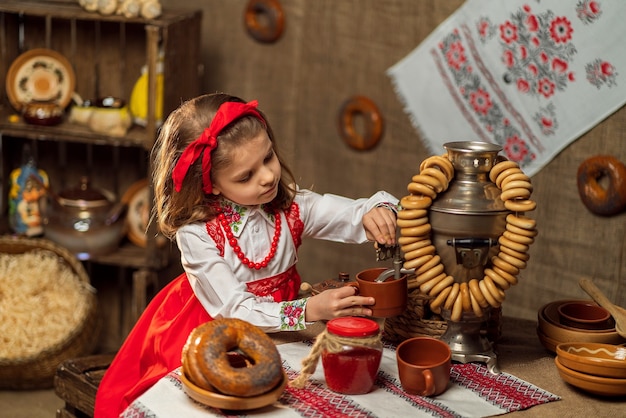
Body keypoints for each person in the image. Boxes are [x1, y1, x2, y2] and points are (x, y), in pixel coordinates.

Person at [94, 93, 399, 417]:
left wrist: (374, 211)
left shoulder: (290, 207)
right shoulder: (198, 233)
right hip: (208, 330)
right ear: (209, 184)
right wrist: (309, 309)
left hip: (283, 325)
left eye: (268, 158)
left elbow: (347, 214)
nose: (268, 176)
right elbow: (233, 310)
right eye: (246, 176)